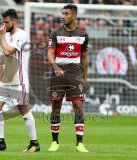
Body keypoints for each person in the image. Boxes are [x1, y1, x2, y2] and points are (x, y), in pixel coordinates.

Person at [0, 9, 40, 152]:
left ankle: (34, 143)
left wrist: (1, 36)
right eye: (3, 21)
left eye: (6, 22)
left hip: (18, 79)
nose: (4, 24)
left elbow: (9, 51)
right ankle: (0, 142)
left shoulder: (22, 35)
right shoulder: (7, 35)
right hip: (5, 79)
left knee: (24, 110)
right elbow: (5, 57)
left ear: (14, 22)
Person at [47, 4, 89, 152]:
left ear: (75, 16)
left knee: (78, 107)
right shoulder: (55, 33)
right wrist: (55, 66)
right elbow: (50, 53)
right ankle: (55, 142)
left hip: (74, 75)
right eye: (62, 13)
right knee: (56, 107)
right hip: (58, 74)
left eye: (67, 14)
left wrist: (85, 78)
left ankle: (79, 144)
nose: (63, 16)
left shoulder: (83, 35)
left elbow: (84, 58)